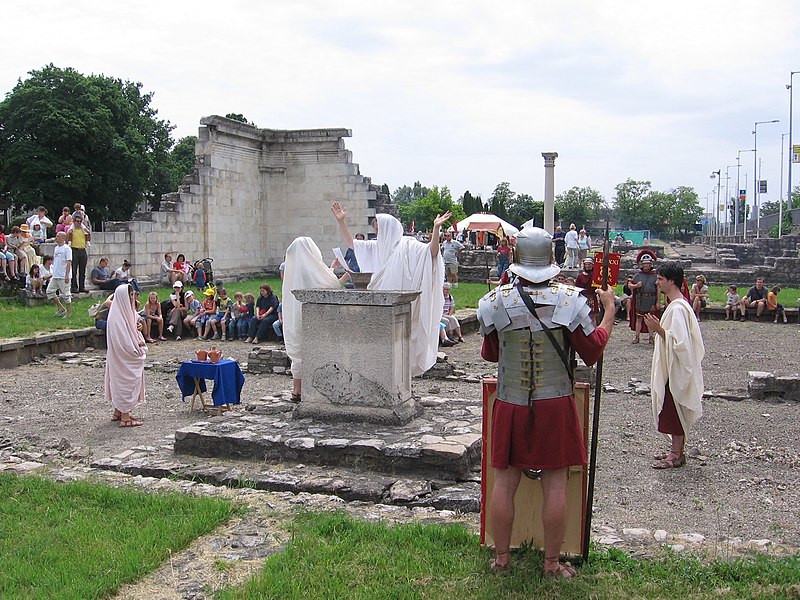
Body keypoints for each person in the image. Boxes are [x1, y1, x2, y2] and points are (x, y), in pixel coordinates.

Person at [477, 226, 616, 577]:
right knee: (555, 483)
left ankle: (502, 558)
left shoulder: (495, 302)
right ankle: (552, 563)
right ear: (551, 258)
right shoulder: (569, 300)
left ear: (518, 258)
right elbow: (592, 351)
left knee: (504, 482)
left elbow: (490, 354)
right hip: (555, 402)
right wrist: (610, 312)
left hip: (510, 402)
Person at [332, 202, 448, 376]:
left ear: (389, 228)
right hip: (379, 307)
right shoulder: (375, 247)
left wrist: (436, 229)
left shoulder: (408, 245)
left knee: (401, 346)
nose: (377, 233)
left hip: (402, 307)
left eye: (379, 229)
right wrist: (341, 221)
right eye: (376, 229)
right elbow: (351, 244)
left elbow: (431, 253)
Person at [642, 263, 704, 469]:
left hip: (675, 367)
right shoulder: (677, 305)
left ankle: (676, 454)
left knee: (673, 406)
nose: (657, 282)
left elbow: (680, 344)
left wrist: (658, 330)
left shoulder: (678, 308)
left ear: (671, 281)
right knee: (670, 406)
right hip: (672, 364)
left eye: (660, 279)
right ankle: (675, 450)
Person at [283, 237, 349, 402]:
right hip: (313, 318)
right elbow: (328, 286)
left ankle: (296, 390)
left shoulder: (293, 269)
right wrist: (347, 276)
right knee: (317, 351)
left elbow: (315, 280)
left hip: (295, 316)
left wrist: (331, 268)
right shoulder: (310, 269)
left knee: (298, 353)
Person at [105, 283, 147, 427]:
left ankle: (118, 411)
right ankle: (125, 417)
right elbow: (122, 341)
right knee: (125, 381)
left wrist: (138, 327)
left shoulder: (126, 311)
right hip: (122, 357)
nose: (132, 297)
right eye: (129, 295)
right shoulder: (116, 317)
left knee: (120, 381)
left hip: (122, 355)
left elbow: (135, 321)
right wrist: (138, 349)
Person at [628, 250, 659, 344]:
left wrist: (658, 302)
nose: (646, 265)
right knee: (639, 319)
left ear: (651, 264)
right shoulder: (637, 275)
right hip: (640, 300)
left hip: (651, 299)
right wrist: (636, 286)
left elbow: (658, 289)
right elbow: (630, 286)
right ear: (642, 264)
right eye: (645, 264)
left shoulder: (655, 275)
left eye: (648, 264)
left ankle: (651, 337)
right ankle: (637, 337)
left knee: (650, 319)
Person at [48, 231, 73, 318]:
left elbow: (69, 262)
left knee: (66, 294)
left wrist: (67, 275)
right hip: (55, 275)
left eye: (58, 236)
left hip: (63, 275)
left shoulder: (67, 249)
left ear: (63, 238)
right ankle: (60, 308)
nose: (56, 237)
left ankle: (69, 313)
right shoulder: (56, 248)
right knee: (50, 291)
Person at [67, 213, 91, 293]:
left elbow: (88, 236)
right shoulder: (72, 230)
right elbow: (68, 237)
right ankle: (74, 287)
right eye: (77, 221)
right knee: (73, 270)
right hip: (74, 250)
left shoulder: (83, 229)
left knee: (82, 270)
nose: (79, 223)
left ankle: (82, 287)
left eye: (80, 221)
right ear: (74, 222)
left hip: (82, 250)